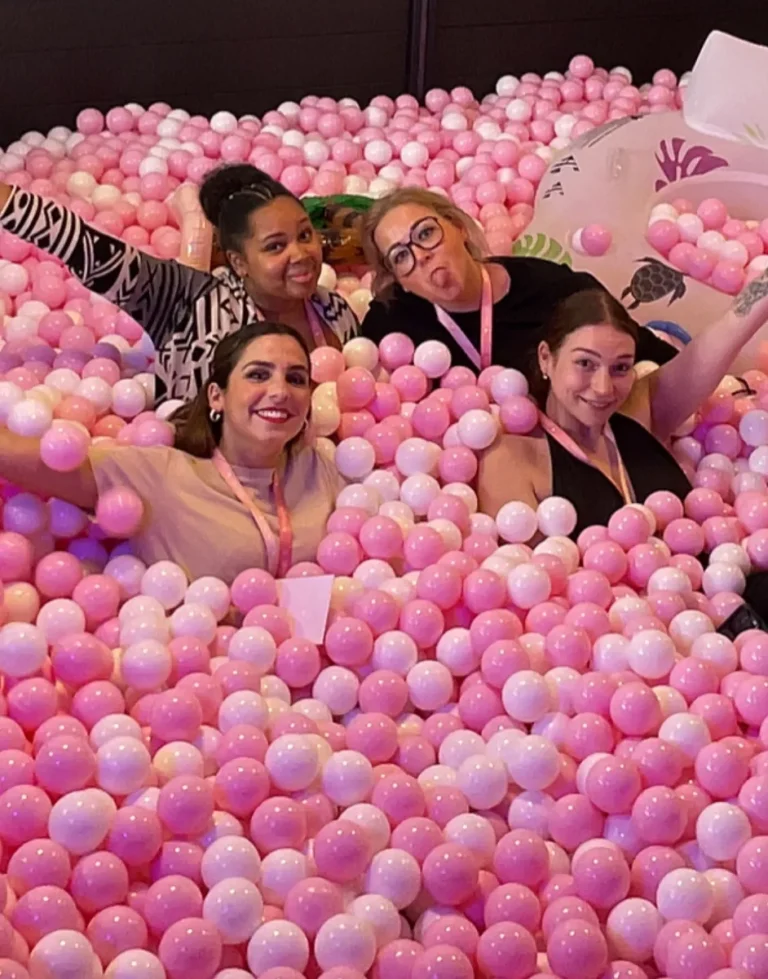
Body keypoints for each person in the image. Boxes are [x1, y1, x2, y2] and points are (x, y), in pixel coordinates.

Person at [0, 323, 344, 583]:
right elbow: (25, 458)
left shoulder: (319, 470)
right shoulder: (162, 474)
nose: (280, 391)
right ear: (216, 396)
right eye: (258, 375)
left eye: (296, 379)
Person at [0, 165, 359, 402]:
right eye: (275, 246)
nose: (301, 254)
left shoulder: (335, 311)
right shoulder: (191, 300)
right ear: (238, 261)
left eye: (305, 235)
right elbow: (88, 248)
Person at [476, 279, 768, 536]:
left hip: (719, 582)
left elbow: (730, 329)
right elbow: (527, 582)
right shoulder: (513, 458)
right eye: (585, 363)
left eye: (620, 367)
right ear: (546, 358)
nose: (603, 388)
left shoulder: (635, 415)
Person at [360, 187, 677, 376]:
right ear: (400, 282)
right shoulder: (391, 324)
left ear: (457, 227)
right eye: (400, 256)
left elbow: (660, 366)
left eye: (426, 233)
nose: (421, 255)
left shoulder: (556, 291)